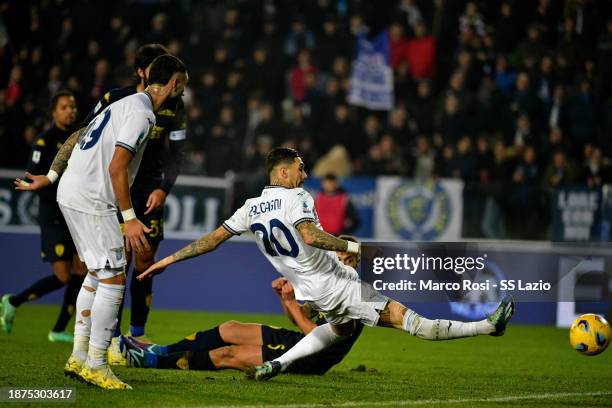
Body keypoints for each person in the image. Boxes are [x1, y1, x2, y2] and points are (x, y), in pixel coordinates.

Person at [139, 147, 515, 382]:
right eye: (300, 168)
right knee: (413, 322)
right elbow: (310, 237)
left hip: (313, 292)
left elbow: (211, 241)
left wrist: (168, 259)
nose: (305, 174)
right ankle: (487, 326)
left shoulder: (249, 208)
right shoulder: (297, 196)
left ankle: (278, 364)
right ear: (283, 173)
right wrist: (351, 244)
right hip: (337, 286)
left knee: (336, 330)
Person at [15, 54, 188, 390]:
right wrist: (130, 219)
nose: (183, 91)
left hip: (71, 191)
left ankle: (79, 357)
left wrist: (51, 177)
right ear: (172, 83)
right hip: (93, 198)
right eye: (183, 84)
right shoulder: (142, 113)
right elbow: (116, 167)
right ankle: (97, 364)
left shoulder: (121, 104)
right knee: (113, 278)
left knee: (96, 274)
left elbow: (80, 137)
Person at [120, 236, 364, 374]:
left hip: (312, 358)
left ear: (355, 264)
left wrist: (290, 301)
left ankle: (149, 362)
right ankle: (159, 350)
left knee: (229, 354)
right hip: (301, 341)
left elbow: (318, 338)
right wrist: (285, 299)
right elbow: (302, 321)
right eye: (338, 257)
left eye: (348, 260)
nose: (342, 262)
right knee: (231, 328)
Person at [83, 43, 188, 364]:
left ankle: (136, 334)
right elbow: (86, 134)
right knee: (116, 264)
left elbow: (177, 155)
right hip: (116, 190)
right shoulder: (116, 99)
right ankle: (109, 339)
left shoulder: (174, 106)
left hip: (148, 195)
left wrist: (164, 189)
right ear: (143, 72)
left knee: (144, 263)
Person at [1, 91, 87, 342]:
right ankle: (14, 301)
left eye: (72, 106)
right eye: (64, 107)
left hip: (74, 212)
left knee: (81, 270)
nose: (70, 110)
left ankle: (59, 329)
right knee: (63, 276)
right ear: (53, 112)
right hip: (53, 214)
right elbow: (34, 175)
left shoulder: (80, 138)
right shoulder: (44, 141)